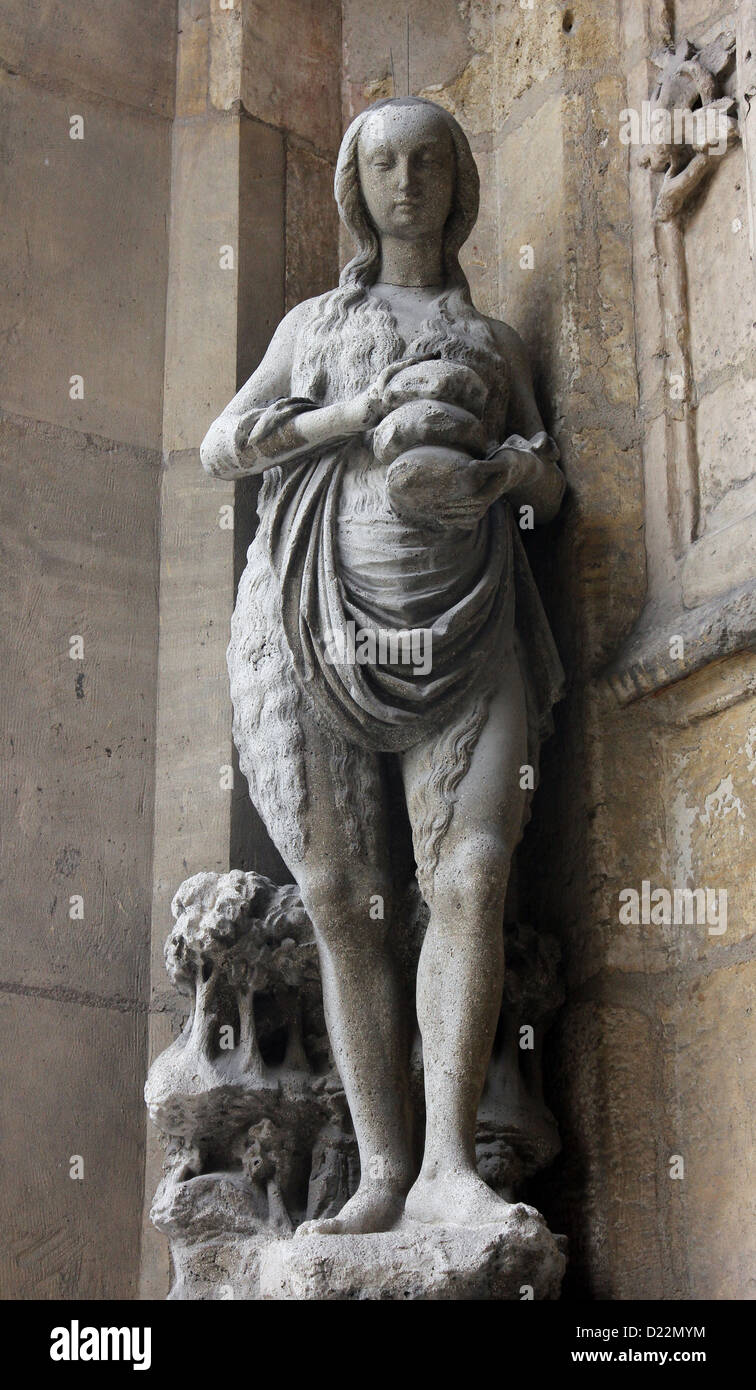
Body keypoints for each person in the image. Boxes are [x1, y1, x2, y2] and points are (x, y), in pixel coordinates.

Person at [201, 97, 565, 1233]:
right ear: (355, 186)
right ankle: (381, 1173)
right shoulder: (312, 325)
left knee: (468, 879)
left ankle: (453, 1163)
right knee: (343, 899)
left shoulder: (496, 344)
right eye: (384, 163)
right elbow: (224, 444)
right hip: (317, 621)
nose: (407, 182)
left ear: (458, 184)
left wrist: (509, 472)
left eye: (428, 162)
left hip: (468, 624)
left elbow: (556, 486)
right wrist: (351, 414)